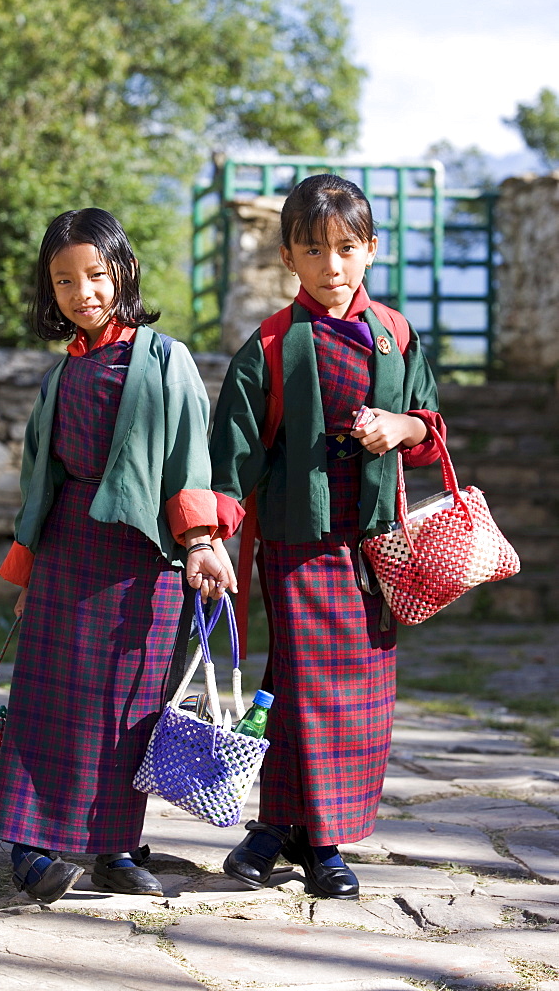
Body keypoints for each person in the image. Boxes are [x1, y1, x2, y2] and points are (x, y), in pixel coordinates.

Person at [209, 174, 446, 900]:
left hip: (374, 545)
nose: (332, 266)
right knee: (311, 684)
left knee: (347, 690)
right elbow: (233, 451)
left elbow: (430, 429)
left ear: (372, 251)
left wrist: (398, 427)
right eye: (314, 250)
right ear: (289, 256)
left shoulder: (395, 334)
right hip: (297, 539)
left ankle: (283, 829)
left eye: (347, 249)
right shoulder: (275, 343)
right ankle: (325, 844)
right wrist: (209, 534)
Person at [0, 208, 232, 903]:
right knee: (44, 702)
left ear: (122, 270)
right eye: (64, 280)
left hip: (142, 561)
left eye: (95, 273)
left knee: (129, 708)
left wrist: (201, 543)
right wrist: (28, 574)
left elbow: (188, 458)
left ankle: (116, 848)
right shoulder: (58, 377)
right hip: (67, 553)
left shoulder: (164, 359)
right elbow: (41, 482)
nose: (82, 291)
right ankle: (29, 848)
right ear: (51, 292)